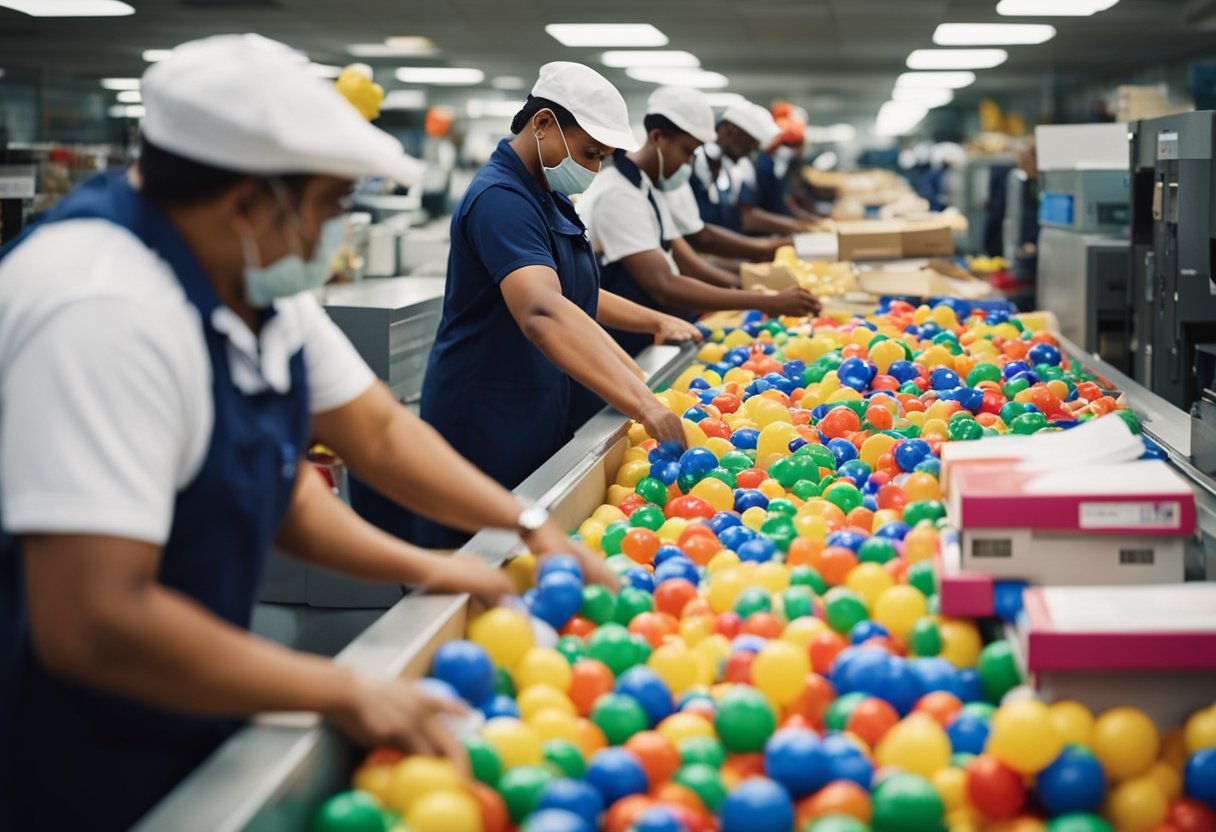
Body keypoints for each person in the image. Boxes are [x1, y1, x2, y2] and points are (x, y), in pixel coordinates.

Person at [0, 36, 608, 832]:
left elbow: (369, 442)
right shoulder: (101, 311)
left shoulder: (248, 283)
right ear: (250, 203)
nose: (334, 234)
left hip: (200, 679)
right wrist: (345, 687)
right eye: (327, 207)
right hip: (76, 740)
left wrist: (487, 545)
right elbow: (95, 622)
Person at [414, 63, 700, 550]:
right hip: (484, 417)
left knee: (527, 550)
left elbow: (576, 297)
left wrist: (637, 367)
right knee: (482, 559)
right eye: (590, 153)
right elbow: (544, 313)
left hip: (530, 405)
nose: (593, 168)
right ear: (543, 124)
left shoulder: (548, 196)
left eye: (603, 157)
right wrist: (643, 403)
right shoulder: (500, 200)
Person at [578, 86, 820, 357]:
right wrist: (766, 300)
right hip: (617, 339)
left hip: (652, 331)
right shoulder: (618, 194)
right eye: (687, 151)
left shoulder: (648, 188)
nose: (689, 163)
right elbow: (664, 284)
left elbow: (683, 258)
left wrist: (742, 284)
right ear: (658, 137)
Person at [690, 100, 819, 237]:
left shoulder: (741, 166)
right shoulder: (696, 160)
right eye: (748, 143)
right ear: (729, 130)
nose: (749, 150)